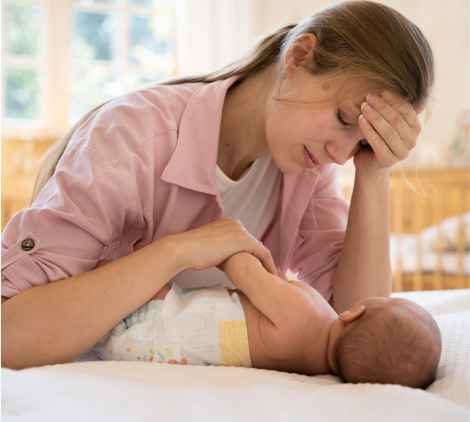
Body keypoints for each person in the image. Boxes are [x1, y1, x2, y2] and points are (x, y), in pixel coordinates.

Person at [1, 1, 434, 371]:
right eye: (344, 120)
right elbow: (10, 333)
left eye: (360, 142)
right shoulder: (128, 138)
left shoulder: (307, 167)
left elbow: (357, 328)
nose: (342, 155)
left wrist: (375, 172)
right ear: (298, 57)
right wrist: (179, 251)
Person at [94, 252, 442, 389]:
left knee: (135, 264)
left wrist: (233, 244)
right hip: (148, 352)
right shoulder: (309, 366)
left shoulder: (309, 312)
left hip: (154, 319)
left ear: (353, 313)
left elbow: (246, 273)